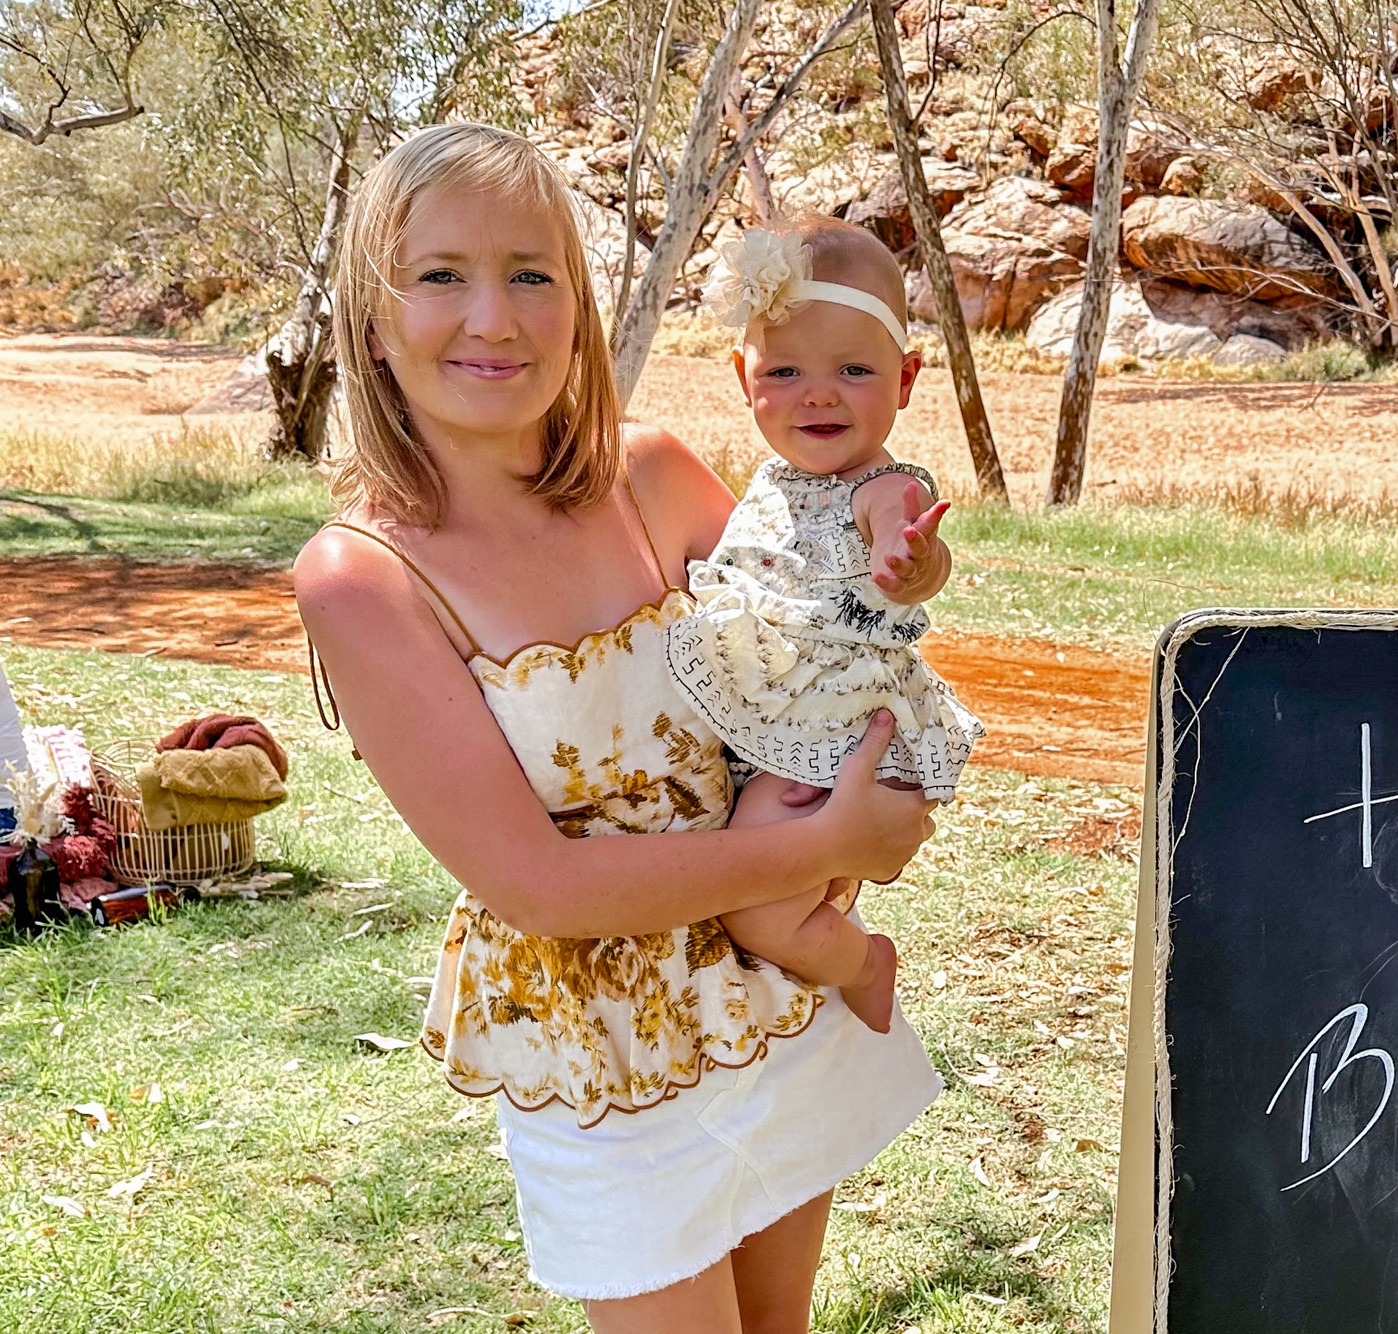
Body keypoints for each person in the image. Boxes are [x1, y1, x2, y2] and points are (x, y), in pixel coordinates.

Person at [292, 122, 942, 1333]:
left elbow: (833, 637)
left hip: (766, 990)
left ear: (579, 308)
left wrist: (887, 785)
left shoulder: (648, 476)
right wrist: (822, 844)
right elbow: (538, 885)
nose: (494, 317)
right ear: (373, 316)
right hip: (599, 1046)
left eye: (532, 273)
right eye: (442, 275)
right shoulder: (363, 576)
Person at [668, 218, 983, 1037]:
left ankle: (863, 961)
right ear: (744, 378)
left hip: (829, 728)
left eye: (853, 368)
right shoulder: (767, 481)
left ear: (907, 378)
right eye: (785, 369)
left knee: (761, 915)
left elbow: (908, 535)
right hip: (767, 713)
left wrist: (908, 563)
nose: (819, 392)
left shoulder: (880, 486)